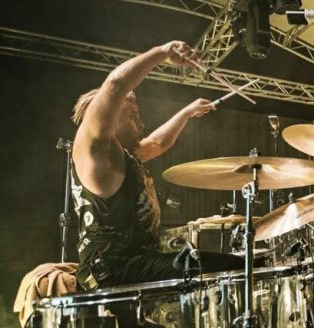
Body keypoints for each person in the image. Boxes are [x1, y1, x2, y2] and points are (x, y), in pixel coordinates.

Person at [70, 41, 245, 290]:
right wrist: (163, 53)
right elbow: (116, 85)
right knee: (235, 268)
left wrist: (187, 112)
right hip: (113, 269)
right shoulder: (96, 152)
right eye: (133, 116)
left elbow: (158, 143)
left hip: (135, 265)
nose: (141, 125)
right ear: (110, 116)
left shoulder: (122, 156)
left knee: (228, 264)